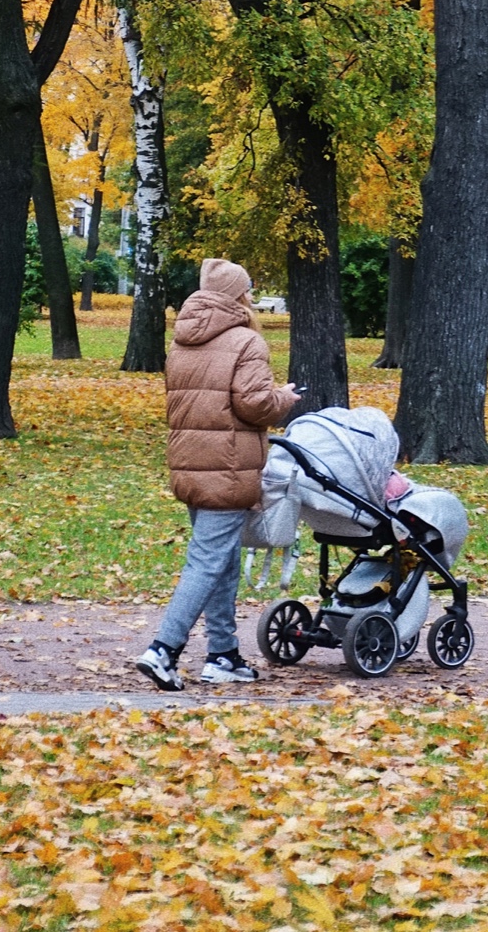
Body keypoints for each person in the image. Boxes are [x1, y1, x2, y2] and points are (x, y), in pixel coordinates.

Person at [136, 258, 298, 690]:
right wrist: (283, 398)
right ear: (239, 295)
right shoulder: (246, 341)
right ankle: (163, 650)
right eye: (248, 289)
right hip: (227, 469)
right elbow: (254, 405)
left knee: (222, 561)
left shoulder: (183, 340)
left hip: (190, 464)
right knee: (207, 563)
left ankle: (222, 654)